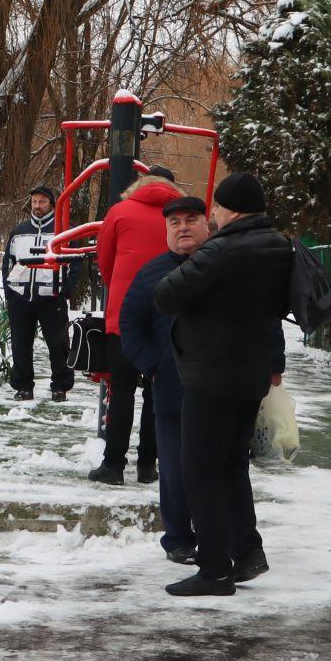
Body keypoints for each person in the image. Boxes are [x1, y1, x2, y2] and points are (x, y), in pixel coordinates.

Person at [153, 173, 292, 595]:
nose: (211, 215)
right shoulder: (278, 246)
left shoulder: (223, 249)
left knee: (200, 470)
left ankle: (214, 567)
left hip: (211, 375)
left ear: (230, 208)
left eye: (215, 207)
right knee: (232, 466)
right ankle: (248, 552)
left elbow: (167, 294)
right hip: (249, 375)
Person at [118, 196, 213, 565]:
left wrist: (273, 361)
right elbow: (130, 325)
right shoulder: (151, 273)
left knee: (216, 467)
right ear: (166, 231)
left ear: (207, 225)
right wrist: (152, 365)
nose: (183, 227)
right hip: (171, 392)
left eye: (191, 219)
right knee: (173, 469)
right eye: (175, 223)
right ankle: (178, 538)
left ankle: (217, 535)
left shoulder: (223, 267)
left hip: (220, 390)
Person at [90, 167, 178, 485]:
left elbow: (105, 258)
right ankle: (147, 466)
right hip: (168, 315)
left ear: (141, 183)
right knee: (158, 391)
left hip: (125, 314)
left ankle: (113, 465)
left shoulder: (120, 211)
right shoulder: (182, 216)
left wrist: (119, 286)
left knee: (122, 389)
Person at [0, 185, 81, 401]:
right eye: (35, 202)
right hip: (20, 298)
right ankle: (23, 387)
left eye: (42, 202)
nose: (37, 206)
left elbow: (75, 264)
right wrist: (9, 291)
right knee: (20, 344)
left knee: (58, 344)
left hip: (51, 297)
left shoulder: (63, 231)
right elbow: (8, 262)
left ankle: (60, 387)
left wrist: (64, 291)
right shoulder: (19, 231)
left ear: (51, 204)